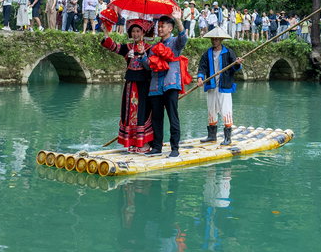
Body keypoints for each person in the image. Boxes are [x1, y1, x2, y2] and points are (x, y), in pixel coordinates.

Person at [100, 19, 155, 153]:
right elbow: (113, 46)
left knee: (143, 112)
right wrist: (106, 32)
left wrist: (143, 55)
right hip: (130, 85)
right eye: (133, 31)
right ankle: (132, 142)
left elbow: (151, 67)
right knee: (129, 113)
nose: (135, 34)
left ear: (143, 32)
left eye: (138, 31)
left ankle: (144, 143)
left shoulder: (150, 48)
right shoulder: (128, 48)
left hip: (144, 85)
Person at [142, 9, 187, 158]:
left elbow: (184, 39)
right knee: (156, 117)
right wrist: (143, 55)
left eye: (163, 26)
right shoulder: (154, 47)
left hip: (171, 83)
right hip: (155, 85)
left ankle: (175, 148)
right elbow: (148, 66)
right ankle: (157, 147)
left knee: (173, 116)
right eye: (159, 26)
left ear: (170, 28)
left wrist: (178, 20)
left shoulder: (175, 43)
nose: (160, 29)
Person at [196, 26, 244, 146]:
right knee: (211, 109)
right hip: (212, 86)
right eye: (212, 39)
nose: (214, 41)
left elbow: (234, 68)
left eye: (216, 39)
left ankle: (228, 138)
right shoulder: (208, 53)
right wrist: (200, 78)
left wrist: (237, 63)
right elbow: (202, 67)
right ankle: (212, 136)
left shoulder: (228, 52)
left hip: (224, 87)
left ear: (221, 39)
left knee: (225, 110)